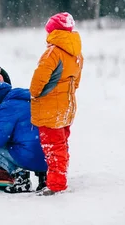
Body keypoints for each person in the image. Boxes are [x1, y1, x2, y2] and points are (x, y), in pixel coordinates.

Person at [29, 12, 84, 196]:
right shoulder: (76, 53)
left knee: (53, 147)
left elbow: (37, 83)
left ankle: (56, 184)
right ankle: (59, 177)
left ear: (52, 30)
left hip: (50, 108)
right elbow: (76, 82)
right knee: (61, 145)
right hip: (67, 106)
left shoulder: (53, 52)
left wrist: (35, 94)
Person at [0, 82, 48, 193]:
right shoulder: (31, 101)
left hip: (30, 155)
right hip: (47, 155)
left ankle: (21, 177)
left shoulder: (5, 108)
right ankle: (43, 178)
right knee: (30, 141)